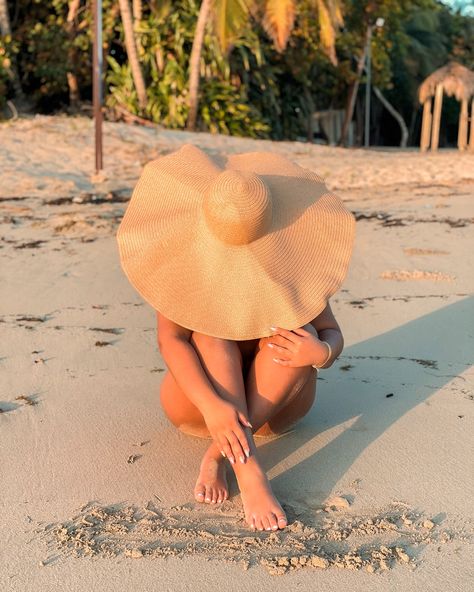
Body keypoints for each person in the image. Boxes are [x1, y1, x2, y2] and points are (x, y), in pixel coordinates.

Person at [116, 143, 355, 533]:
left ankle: (221, 455)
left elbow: (331, 334)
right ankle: (251, 473)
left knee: (301, 334)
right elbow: (171, 341)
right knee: (210, 335)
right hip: (202, 407)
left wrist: (322, 352)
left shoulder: (291, 262)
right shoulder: (184, 264)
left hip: (273, 408)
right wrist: (212, 406)